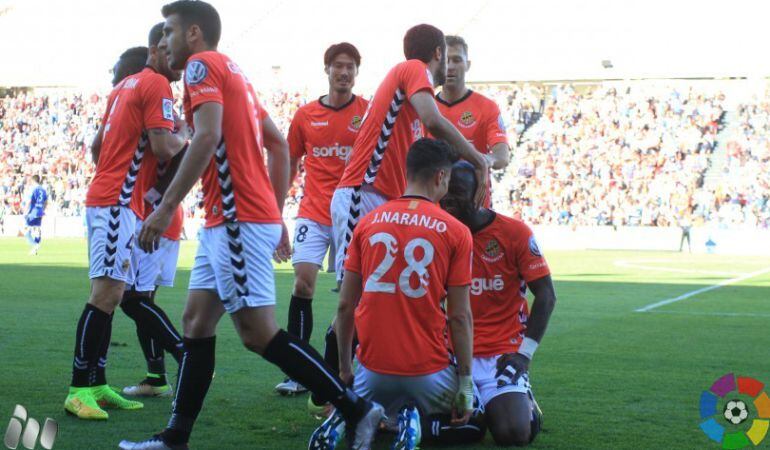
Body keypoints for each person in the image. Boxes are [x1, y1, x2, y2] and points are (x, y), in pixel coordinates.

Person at [121, 2, 383, 448]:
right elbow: (278, 145)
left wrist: (165, 208)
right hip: (233, 219)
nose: (162, 41)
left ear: (193, 34)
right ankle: (174, 437)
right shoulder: (235, 72)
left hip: (236, 221)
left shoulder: (202, 67)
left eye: (168, 31)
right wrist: (275, 213)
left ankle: (357, 410)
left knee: (258, 334)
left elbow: (206, 137)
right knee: (195, 322)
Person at [315, 25, 490, 413]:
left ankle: (369, 384)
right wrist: (477, 157)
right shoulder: (412, 68)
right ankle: (334, 392)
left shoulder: (405, 94)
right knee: (353, 298)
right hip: (364, 191)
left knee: (374, 296)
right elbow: (433, 117)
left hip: (377, 196)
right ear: (439, 53)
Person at [310, 138, 483, 450]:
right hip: (427, 370)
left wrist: (346, 370)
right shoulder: (456, 231)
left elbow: (346, 306)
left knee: (369, 405)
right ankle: (418, 425)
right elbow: (459, 316)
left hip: (372, 372)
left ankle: (356, 418)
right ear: (440, 178)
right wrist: (465, 383)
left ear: (407, 173)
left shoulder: (367, 222)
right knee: (477, 417)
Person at [63, 37, 188, 421]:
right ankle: (78, 389)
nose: (177, 61)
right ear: (154, 50)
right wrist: (188, 137)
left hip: (110, 196)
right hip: (118, 202)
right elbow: (166, 148)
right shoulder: (156, 84)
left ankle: (97, 383)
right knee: (107, 294)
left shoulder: (121, 88)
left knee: (111, 293)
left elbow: (98, 147)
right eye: (170, 51)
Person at [440, 161, 557, 446]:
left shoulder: (514, 232)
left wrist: (524, 354)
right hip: (448, 355)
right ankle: (478, 410)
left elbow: (546, 295)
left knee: (513, 434)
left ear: (478, 194)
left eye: (458, 192)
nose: (449, 201)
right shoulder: (437, 232)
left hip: (500, 354)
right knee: (460, 433)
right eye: (445, 192)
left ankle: (520, 403)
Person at [275, 42, 369, 396]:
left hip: (354, 213)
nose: (344, 72)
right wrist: (275, 213)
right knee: (303, 284)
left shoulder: (369, 112)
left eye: (350, 67)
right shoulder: (304, 115)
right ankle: (299, 371)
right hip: (313, 211)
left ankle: (343, 367)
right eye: (338, 66)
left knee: (354, 296)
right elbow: (289, 164)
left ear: (356, 73)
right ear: (327, 70)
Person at [119, 22, 189, 399]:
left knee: (133, 299)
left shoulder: (164, 107)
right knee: (142, 299)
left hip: (154, 215)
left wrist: (157, 197)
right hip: (161, 214)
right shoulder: (162, 106)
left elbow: (178, 153)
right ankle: (156, 376)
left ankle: (184, 357)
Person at [435, 35, 510, 206]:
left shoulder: (487, 107)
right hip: (435, 208)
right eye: (446, 61)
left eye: (457, 60)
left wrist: (484, 160)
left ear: (468, 65)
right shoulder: (426, 108)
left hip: (474, 207)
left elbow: (502, 156)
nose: (450, 67)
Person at [24, 174, 47, 255]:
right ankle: (34, 250)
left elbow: (29, 201)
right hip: (40, 211)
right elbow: (46, 201)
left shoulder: (33, 189)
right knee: (37, 229)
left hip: (33, 212)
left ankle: (35, 245)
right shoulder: (43, 189)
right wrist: (43, 209)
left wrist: (25, 211)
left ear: (33, 181)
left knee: (25, 230)